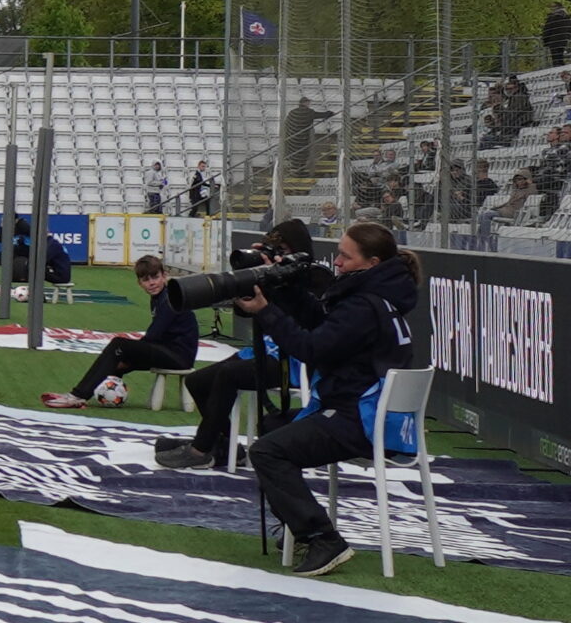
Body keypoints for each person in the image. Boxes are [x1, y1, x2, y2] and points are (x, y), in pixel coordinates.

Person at [236, 222, 427, 577]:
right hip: (376, 414)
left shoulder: (363, 306)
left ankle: (322, 538)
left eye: (344, 255)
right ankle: (296, 522)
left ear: (370, 263)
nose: (336, 262)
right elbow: (322, 323)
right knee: (272, 425)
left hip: (360, 417)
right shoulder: (377, 296)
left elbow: (311, 348)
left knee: (267, 450)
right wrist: (285, 287)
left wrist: (265, 311)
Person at [157, 221, 316, 470]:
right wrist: (255, 279)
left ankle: (201, 450)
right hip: (266, 350)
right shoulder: (273, 273)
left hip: (294, 360)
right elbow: (248, 315)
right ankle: (226, 445)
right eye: (275, 248)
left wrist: (279, 282)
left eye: (283, 249)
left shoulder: (311, 278)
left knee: (228, 375)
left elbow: (299, 317)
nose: (278, 256)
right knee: (196, 381)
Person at [40, 256, 199, 409]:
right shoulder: (160, 296)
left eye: (155, 277)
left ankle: (77, 396)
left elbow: (153, 336)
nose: (152, 283)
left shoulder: (170, 298)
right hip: (169, 350)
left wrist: (129, 356)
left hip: (179, 356)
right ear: (139, 283)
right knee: (119, 356)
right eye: (146, 280)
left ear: (164, 276)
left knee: (119, 346)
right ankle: (91, 396)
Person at [545, 0, 571, 69]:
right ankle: (563, 73)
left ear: (557, 7)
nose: (551, 8)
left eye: (553, 7)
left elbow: (547, 29)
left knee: (556, 60)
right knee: (560, 58)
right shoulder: (567, 17)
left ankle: (558, 75)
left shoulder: (552, 17)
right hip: (563, 41)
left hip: (553, 41)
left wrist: (545, 41)